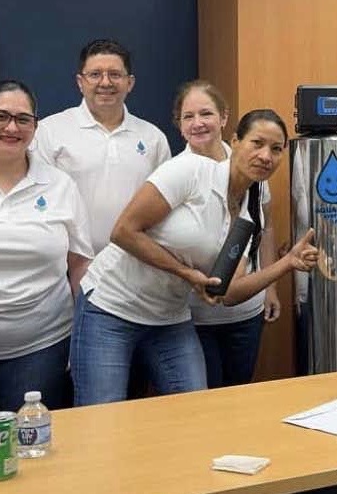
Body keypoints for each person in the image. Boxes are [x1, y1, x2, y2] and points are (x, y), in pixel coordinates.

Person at [71, 109, 318, 406]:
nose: (266, 156)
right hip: (111, 306)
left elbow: (229, 292)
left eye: (276, 149)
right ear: (235, 141)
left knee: (196, 410)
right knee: (102, 413)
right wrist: (185, 273)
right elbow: (123, 231)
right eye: (257, 143)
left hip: (169, 317)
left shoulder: (249, 213)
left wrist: (287, 263)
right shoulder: (190, 171)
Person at [0, 80, 93, 411]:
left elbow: (80, 264)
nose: (11, 127)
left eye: (23, 119)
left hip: (42, 347)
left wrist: (84, 340)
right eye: (0, 116)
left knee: (30, 441)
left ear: (35, 126)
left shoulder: (60, 185)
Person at [173, 80, 282, 387]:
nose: (198, 123)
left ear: (223, 118)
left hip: (247, 313)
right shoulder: (175, 174)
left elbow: (266, 226)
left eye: (206, 113)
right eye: (188, 116)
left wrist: (270, 288)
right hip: (194, 316)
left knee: (239, 394)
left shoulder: (254, 164)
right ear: (179, 125)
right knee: (206, 398)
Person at [32, 39, 171, 254]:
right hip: (68, 262)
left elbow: (164, 207)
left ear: (130, 83)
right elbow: (37, 201)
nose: (105, 83)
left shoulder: (153, 138)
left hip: (136, 262)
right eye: (95, 74)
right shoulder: (49, 131)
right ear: (80, 82)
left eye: (115, 74)